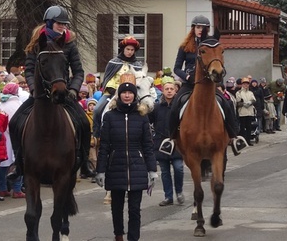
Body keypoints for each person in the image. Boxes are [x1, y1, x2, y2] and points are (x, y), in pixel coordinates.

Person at [12, 5, 92, 178]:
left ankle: (85, 163)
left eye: (64, 24)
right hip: (40, 94)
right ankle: (18, 164)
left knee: (84, 123)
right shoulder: (36, 43)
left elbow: (78, 71)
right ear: (49, 23)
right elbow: (30, 70)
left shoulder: (69, 44)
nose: (63, 26)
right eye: (59, 23)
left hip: (63, 92)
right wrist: (33, 89)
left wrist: (73, 89)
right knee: (14, 122)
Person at [160, 16, 246, 156]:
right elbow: (176, 68)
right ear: (193, 28)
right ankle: (171, 140)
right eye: (198, 27)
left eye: (203, 28)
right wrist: (187, 76)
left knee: (227, 102)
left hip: (210, 83)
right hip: (190, 83)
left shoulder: (212, 44)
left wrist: (219, 84)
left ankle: (234, 137)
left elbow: (218, 64)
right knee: (175, 104)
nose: (200, 30)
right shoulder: (185, 47)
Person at [96, 82, 157, 241]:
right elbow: (104, 146)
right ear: (119, 95)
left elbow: (147, 146)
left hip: (137, 166)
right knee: (116, 208)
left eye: (130, 92)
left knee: (135, 209)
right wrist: (100, 170)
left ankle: (133, 238)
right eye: (124, 93)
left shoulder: (142, 117)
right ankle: (118, 235)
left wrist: (152, 170)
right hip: (116, 167)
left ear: (134, 95)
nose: (127, 95)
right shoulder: (110, 117)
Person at [148, 77, 185, 206]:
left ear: (175, 91)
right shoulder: (157, 107)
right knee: (165, 172)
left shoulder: (180, 107)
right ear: (162, 91)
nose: (169, 91)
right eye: (166, 89)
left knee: (178, 168)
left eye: (171, 89)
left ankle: (179, 192)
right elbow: (148, 120)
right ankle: (168, 196)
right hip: (161, 143)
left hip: (177, 143)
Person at [236, 78, 257, 146]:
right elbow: (238, 102)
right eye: (244, 84)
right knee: (242, 128)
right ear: (242, 84)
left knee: (249, 127)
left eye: (247, 84)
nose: (245, 85)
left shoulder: (250, 92)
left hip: (250, 112)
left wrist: (250, 102)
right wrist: (244, 103)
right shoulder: (238, 93)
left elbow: (254, 100)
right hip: (242, 112)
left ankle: (248, 141)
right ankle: (242, 141)